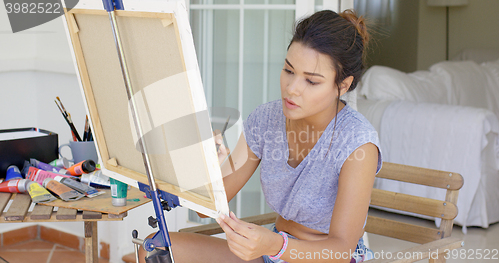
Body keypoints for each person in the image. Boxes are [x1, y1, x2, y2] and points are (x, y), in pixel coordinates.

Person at [140, 9, 381, 263]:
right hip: (272, 252)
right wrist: (205, 164)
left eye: (311, 81)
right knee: (158, 249)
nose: (292, 89)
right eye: (289, 70)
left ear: (342, 85)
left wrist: (275, 245)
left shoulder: (357, 143)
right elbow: (206, 208)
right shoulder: (266, 120)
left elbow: (341, 251)